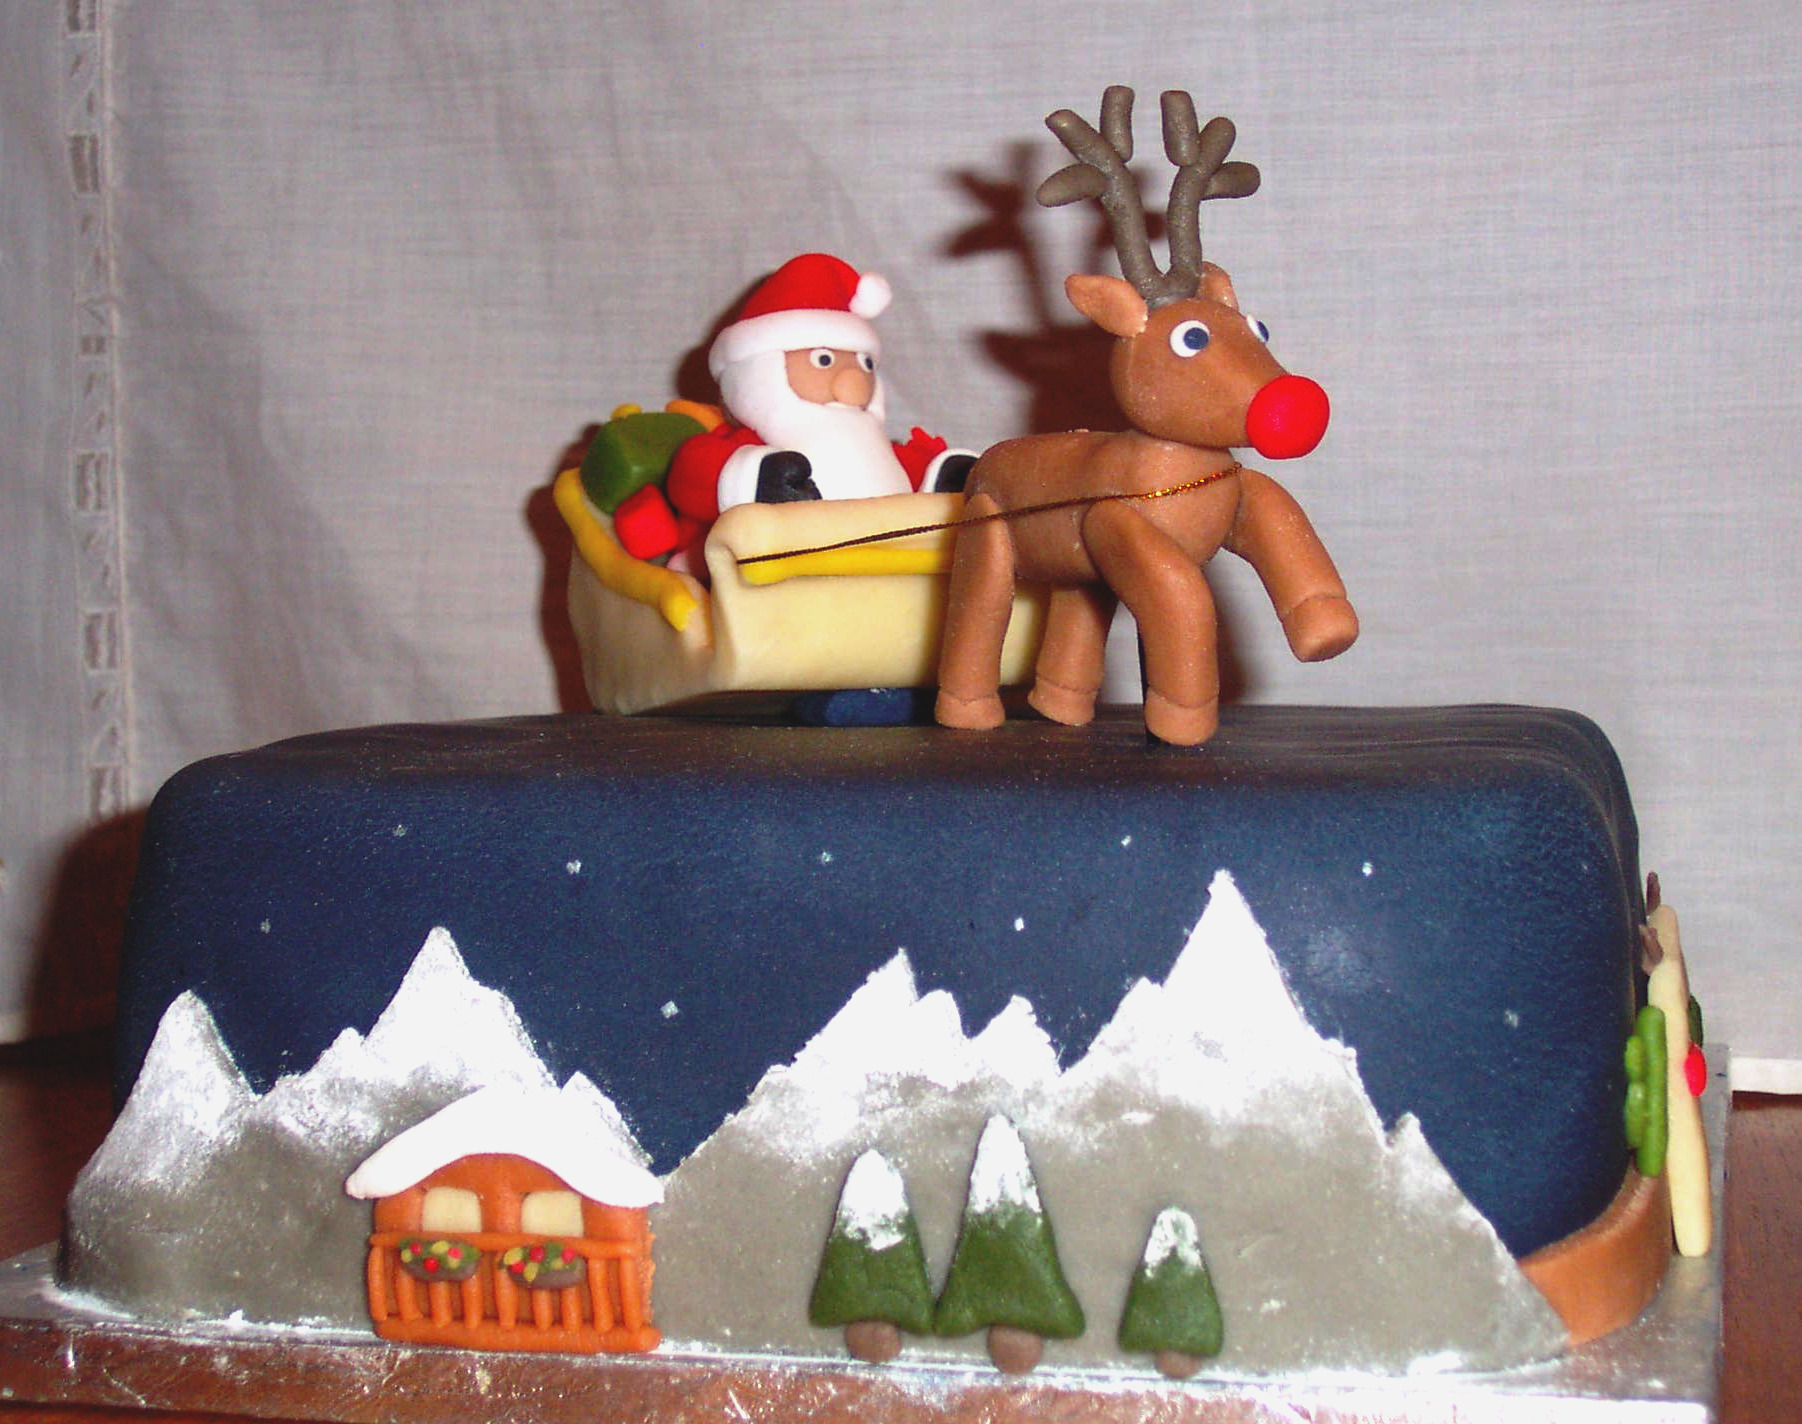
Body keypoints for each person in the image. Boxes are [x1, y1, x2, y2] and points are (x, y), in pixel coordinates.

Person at [664, 253, 973, 547]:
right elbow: (692, 474)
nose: (854, 378)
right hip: (787, 567)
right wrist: (755, 478)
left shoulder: (873, 442)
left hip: (888, 566)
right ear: (763, 371)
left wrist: (943, 478)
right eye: (824, 360)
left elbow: (906, 467)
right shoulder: (758, 443)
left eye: (865, 363)